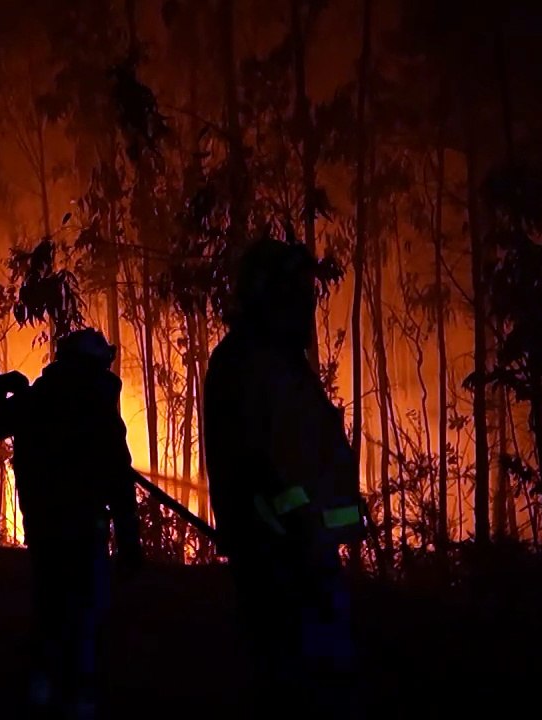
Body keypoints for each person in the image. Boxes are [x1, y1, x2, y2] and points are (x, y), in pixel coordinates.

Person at [202, 239, 365, 717]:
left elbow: (295, 451)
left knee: (313, 678)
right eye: (295, 288)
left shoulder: (274, 358)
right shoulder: (252, 362)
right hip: (284, 555)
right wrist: (300, 530)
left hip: (297, 548)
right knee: (302, 682)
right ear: (267, 293)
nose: (307, 299)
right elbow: (260, 463)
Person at [0, 328, 142, 720]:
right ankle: (78, 689)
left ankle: (45, 684)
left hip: (46, 522)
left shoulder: (37, 400)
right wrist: (129, 538)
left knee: (52, 601)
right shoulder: (97, 407)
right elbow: (118, 476)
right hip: (84, 523)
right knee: (85, 606)